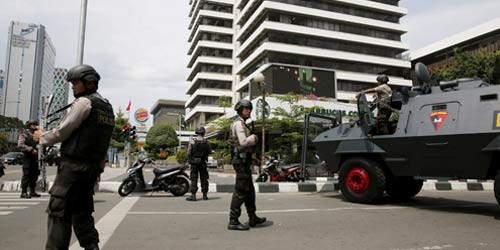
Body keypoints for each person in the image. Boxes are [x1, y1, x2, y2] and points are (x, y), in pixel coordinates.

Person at [39, 64, 115, 250]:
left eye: (75, 83)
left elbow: (62, 130)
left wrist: (41, 137)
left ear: (89, 83)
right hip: (90, 170)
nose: (73, 87)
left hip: (72, 168)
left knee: (59, 212)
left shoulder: (84, 103)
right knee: (82, 212)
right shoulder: (107, 107)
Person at [227, 99, 266, 231]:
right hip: (240, 162)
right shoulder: (239, 124)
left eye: (249, 108)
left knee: (250, 191)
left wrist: (254, 159)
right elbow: (243, 142)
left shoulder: (244, 123)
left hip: (245, 161)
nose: (249, 111)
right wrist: (254, 138)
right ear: (240, 110)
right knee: (241, 191)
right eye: (246, 108)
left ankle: (252, 217)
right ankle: (233, 220)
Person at [186, 126, 212, 201]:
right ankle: (205, 195)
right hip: (203, 162)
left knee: (194, 178)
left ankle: (193, 195)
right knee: (204, 178)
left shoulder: (192, 141)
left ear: (196, 132)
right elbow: (209, 152)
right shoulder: (207, 142)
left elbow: (188, 152)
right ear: (203, 133)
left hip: (194, 163)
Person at [18, 120, 41, 198]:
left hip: (35, 158)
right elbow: (20, 145)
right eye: (33, 124)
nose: (34, 126)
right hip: (27, 157)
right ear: (29, 125)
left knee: (34, 174)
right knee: (26, 174)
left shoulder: (37, 134)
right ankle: (23, 192)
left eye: (35, 124)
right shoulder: (24, 134)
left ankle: (32, 191)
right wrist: (31, 149)